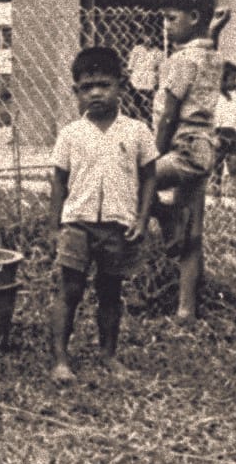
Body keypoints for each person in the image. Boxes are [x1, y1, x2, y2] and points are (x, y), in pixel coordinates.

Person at [47, 46, 157, 380]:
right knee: (70, 290)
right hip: (77, 223)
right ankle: (60, 359)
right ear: (75, 92)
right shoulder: (70, 134)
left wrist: (141, 218)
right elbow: (59, 181)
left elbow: (149, 176)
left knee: (111, 292)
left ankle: (109, 355)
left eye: (104, 85)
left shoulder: (136, 131)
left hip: (118, 225)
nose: (95, 93)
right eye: (86, 87)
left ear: (121, 86)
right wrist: (54, 226)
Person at [152, 0, 229, 321]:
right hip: (205, 149)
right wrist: (212, 32)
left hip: (182, 146)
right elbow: (206, 57)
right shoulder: (214, 57)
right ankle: (186, 308)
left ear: (193, 18)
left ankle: (166, 218)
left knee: (133, 180)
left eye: (171, 18)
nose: (165, 25)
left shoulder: (179, 61)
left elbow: (169, 113)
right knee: (193, 231)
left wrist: (154, 153)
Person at [210, 63, 236, 202]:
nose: (235, 82)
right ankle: (217, 200)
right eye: (232, 79)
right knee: (217, 169)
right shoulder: (214, 97)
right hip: (218, 132)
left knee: (233, 168)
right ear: (221, 79)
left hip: (232, 133)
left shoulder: (234, 96)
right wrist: (212, 136)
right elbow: (209, 118)